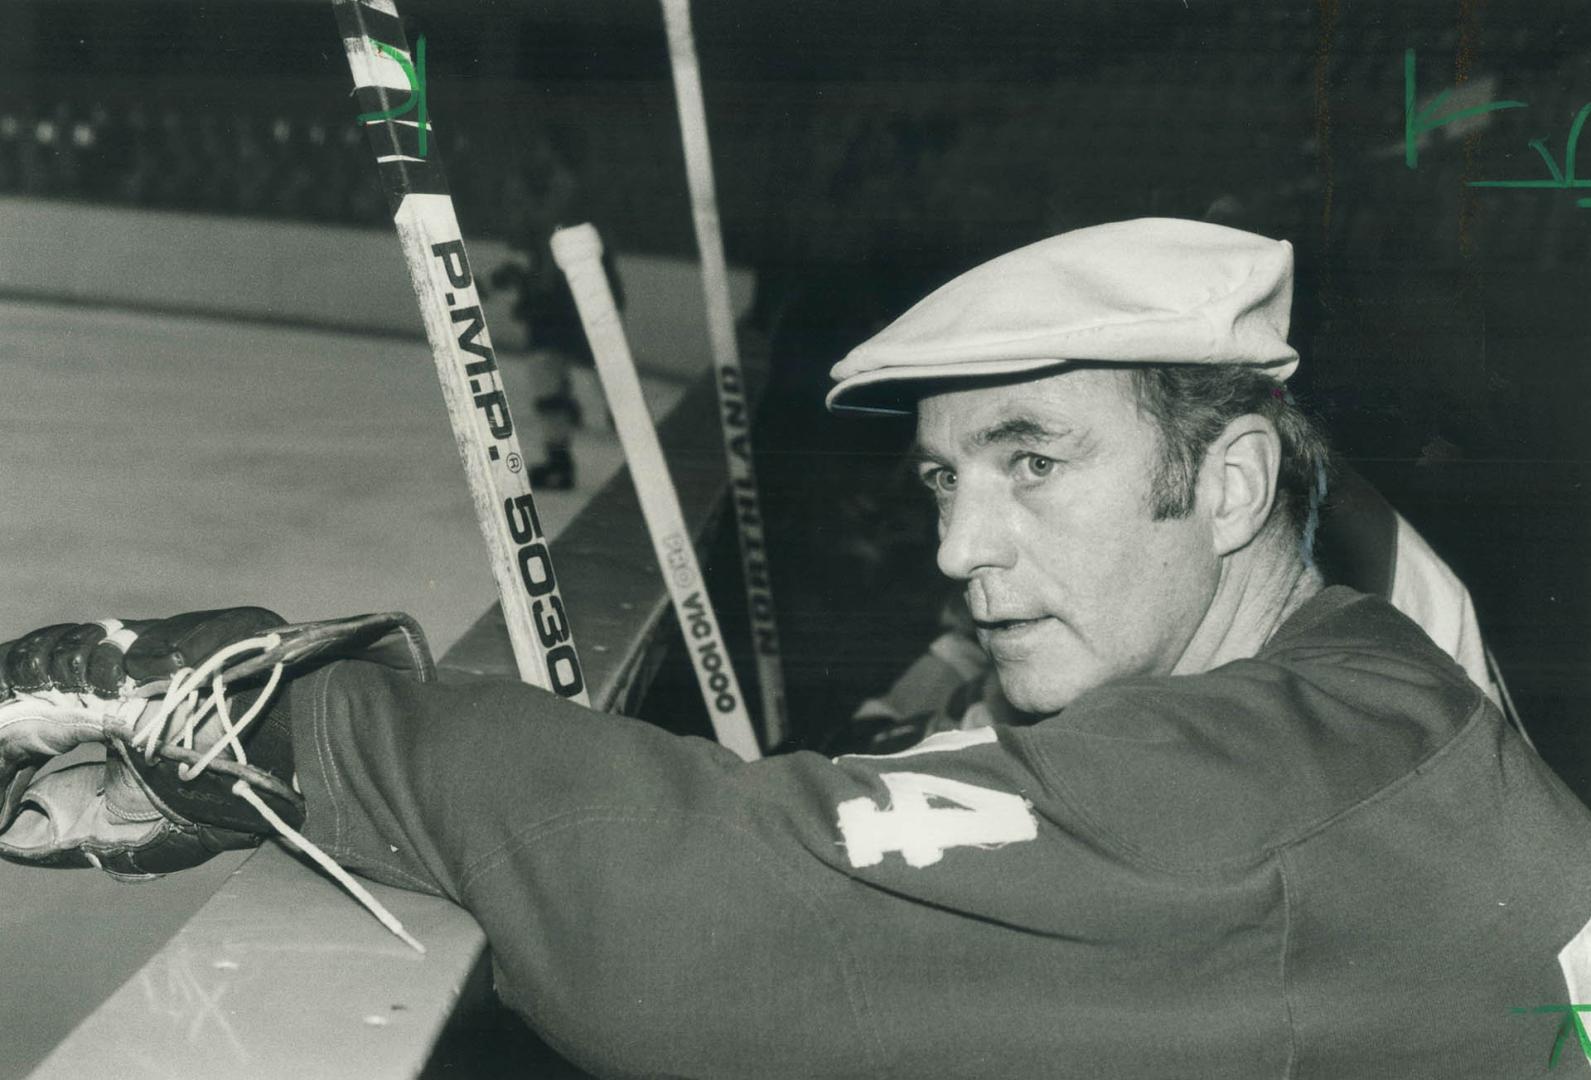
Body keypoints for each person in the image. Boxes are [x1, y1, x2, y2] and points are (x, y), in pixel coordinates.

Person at [3, 218, 1589, 1078]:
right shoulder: (1362, 653)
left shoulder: (1296, 777)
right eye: (945, 480)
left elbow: (697, 928)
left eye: (1034, 462)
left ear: (1229, 484)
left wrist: (285, 727)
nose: (963, 546)